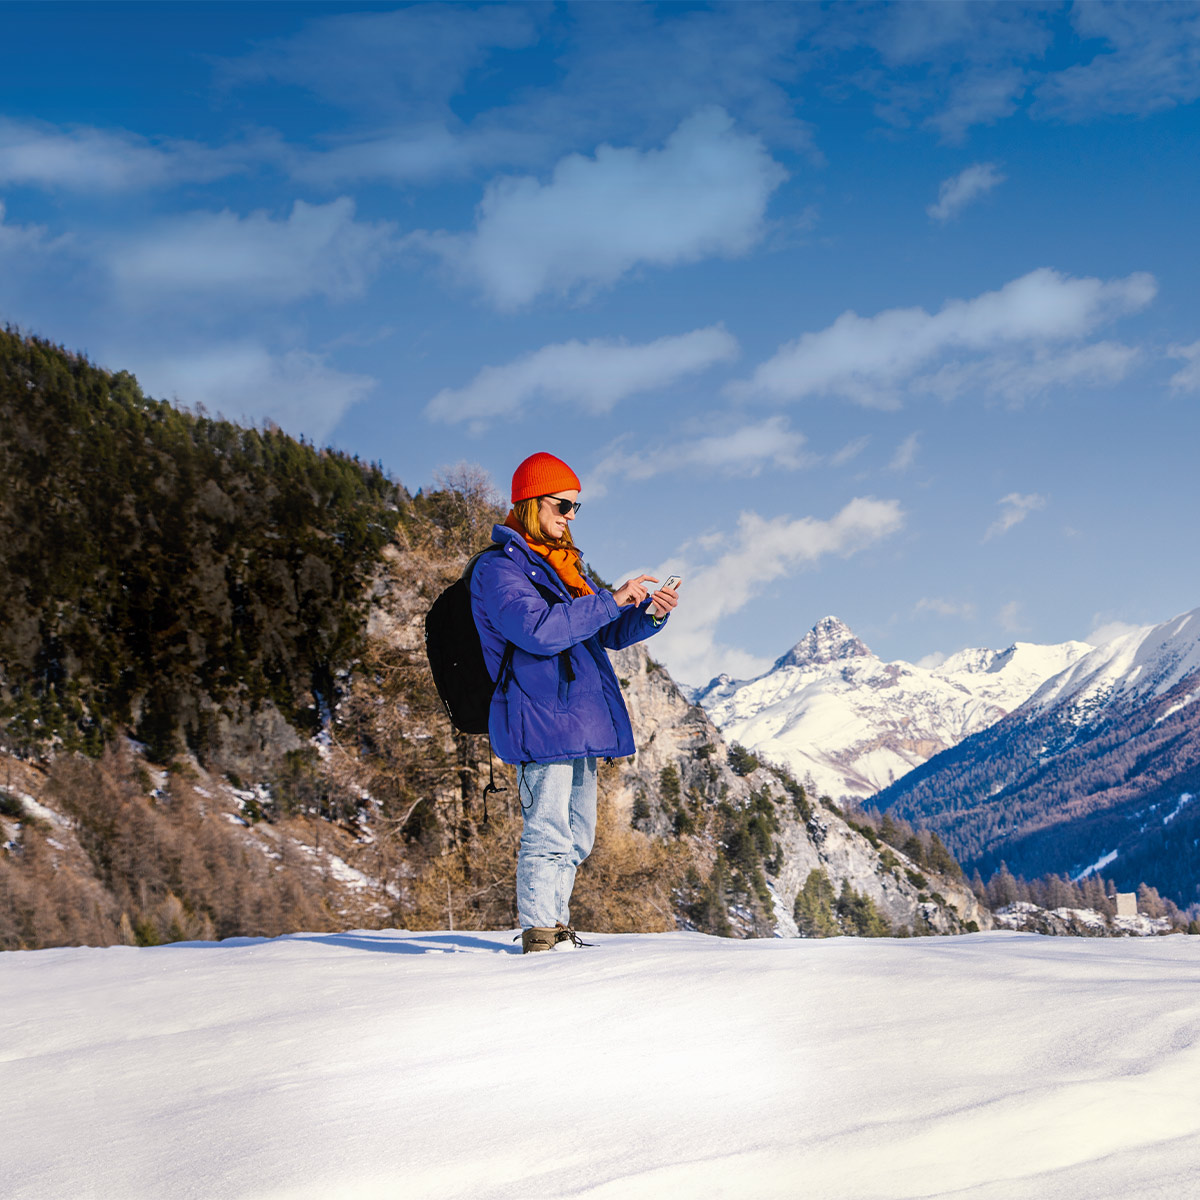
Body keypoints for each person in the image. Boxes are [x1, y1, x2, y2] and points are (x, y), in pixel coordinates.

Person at [470, 451, 679, 953]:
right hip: (539, 717)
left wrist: (648, 613)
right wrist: (610, 597)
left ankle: (557, 928)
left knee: (578, 836)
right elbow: (538, 631)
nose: (569, 517)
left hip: (579, 719)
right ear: (530, 503)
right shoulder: (499, 570)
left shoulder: (563, 567)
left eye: (575, 509)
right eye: (562, 506)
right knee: (548, 831)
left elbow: (600, 632)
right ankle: (542, 934)